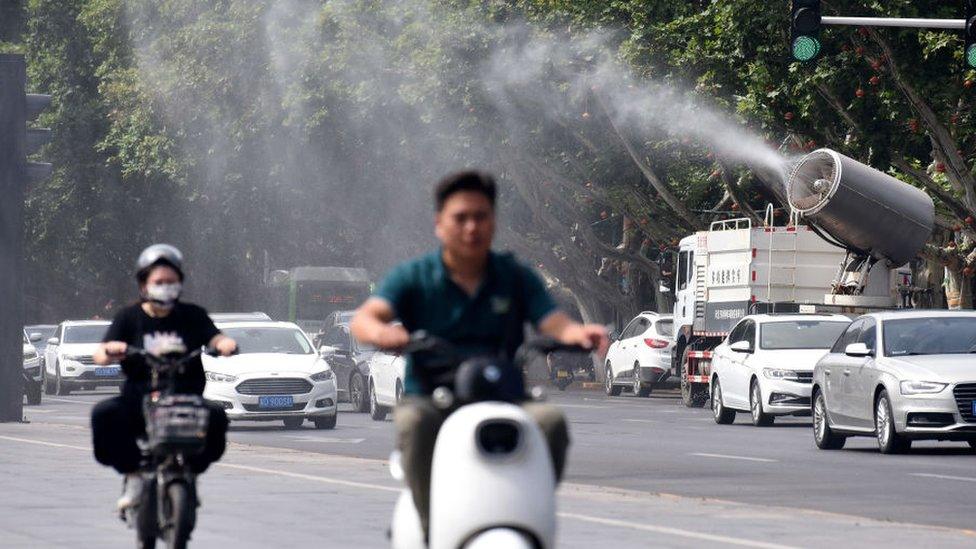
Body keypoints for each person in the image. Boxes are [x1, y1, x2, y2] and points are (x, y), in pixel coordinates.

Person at [350, 170, 609, 536]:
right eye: (461, 218)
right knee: (414, 423)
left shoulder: (514, 276)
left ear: (493, 221)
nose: (472, 227)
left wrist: (576, 332)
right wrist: (384, 333)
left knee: (550, 422)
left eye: (481, 217)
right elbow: (365, 319)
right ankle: (429, 528)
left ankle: (530, 515)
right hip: (433, 397)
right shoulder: (414, 276)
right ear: (440, 224)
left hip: (502, 395)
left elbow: (552, 322)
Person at [90, 244, 238, 510]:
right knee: (103, 414)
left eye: (171, 281)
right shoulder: (129, 317)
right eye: (159, 282)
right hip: (139, 402)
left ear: (180, 283)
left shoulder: (193, 315)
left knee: (216, 416)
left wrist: (224, 344)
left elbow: (214, 336)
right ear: (144, 285)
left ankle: (189, 475)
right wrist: (111, 351)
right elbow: (101, 353)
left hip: (186, 400)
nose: (165, 286)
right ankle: (134, 475)